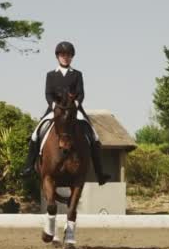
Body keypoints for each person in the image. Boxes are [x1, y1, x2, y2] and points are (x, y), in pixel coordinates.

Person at [20, 41, 111, 185]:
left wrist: (74, 105)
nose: (65, 57)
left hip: (74, 110)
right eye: (62, 55)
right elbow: (48, 94)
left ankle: (100, 173)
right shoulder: (51, 75)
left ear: (71, 57)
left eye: (68, 55)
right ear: (58, 57)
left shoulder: (77, 74)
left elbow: (81, 94)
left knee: (94, 135)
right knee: (35, 133)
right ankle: (29, 166)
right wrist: (55, 105)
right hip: (55, 110)